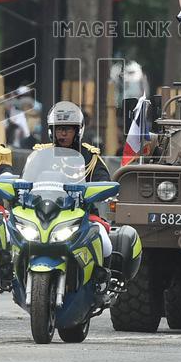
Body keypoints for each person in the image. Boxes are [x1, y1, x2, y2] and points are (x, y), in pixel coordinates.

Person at [34, 101, 112, 259]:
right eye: (59, 129)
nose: (62, 134)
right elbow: (27, 180)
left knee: (104, 242)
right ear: (52, 131)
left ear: (78, 131)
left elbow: (103, 180)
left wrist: (100, 190)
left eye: (68, 129)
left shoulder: (89, 155)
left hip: (82, 213)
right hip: (44, 213)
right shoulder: (41, 155)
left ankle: (103, 280)